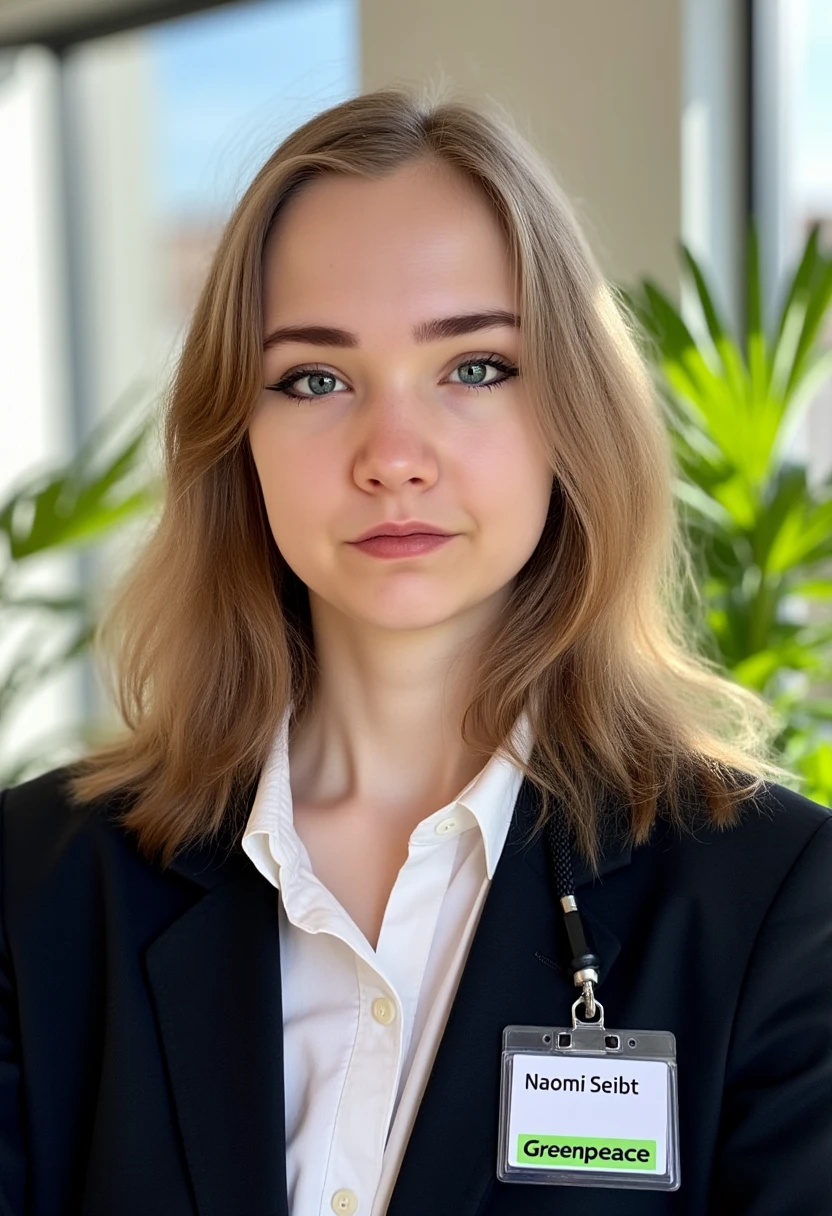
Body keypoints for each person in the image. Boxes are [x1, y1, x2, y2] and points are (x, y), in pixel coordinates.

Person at [0, 84, 830, 1216]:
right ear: (235, 440)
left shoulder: (773, 893)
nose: (393, 454)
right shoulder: (36, 881)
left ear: (573, 413)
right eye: (315, 378)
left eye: (475, 366)